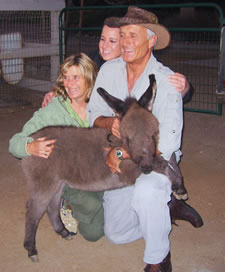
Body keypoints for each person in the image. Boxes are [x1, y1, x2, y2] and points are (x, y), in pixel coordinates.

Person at [87, 7, 202, 272]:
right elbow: (93, 113)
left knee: (147, 192)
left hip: (156, 159)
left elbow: (170, 140)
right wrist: (109, 122)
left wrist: (121, 153)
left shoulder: (167, 80)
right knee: (116, 234)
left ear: (151, 40)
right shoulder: (109, 70)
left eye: (133, 36)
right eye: (123, 35)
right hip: (120, 160)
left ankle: (158, 259)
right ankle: (169, 208)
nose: (126, 43)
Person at [9, 53, 105, 241]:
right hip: (69, 177)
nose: (69, 84)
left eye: (76, 77)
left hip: (97, 170)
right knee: (94, 232)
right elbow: (14, 143)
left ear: (89, 77)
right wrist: (30, 147)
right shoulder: (54, 110)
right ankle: (64, 201)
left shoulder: (100, 105)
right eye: (66, 78)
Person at [42, 18, 192, 107]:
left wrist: (185, 88)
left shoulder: (137, 66)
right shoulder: (92, 60)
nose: (104, 46)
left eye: (112, 41)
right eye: (102, 39)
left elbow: (170, 87)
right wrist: (54, 92)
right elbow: (70, 79)